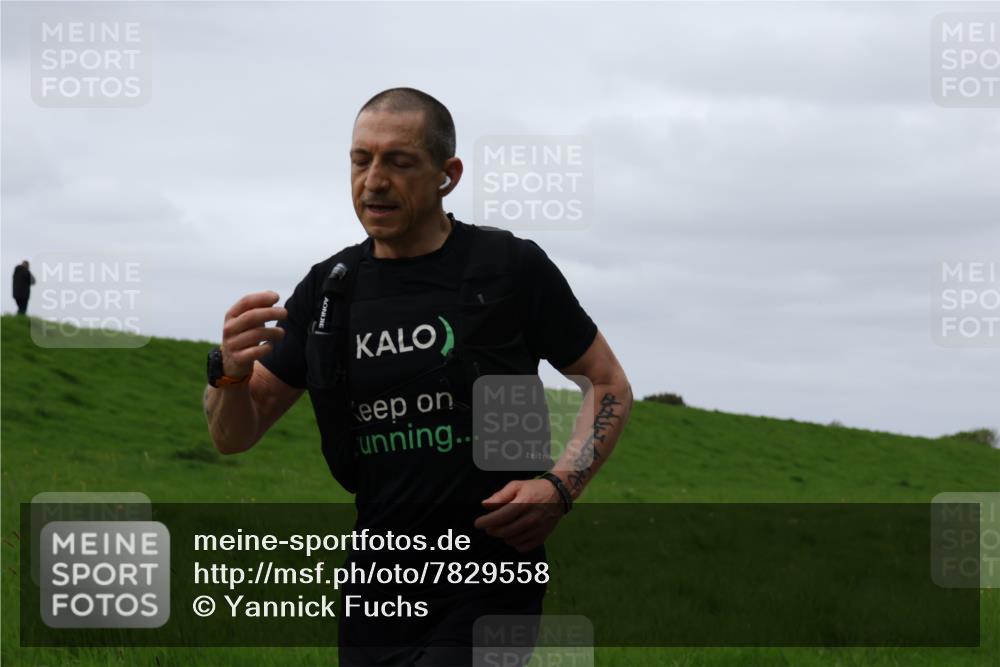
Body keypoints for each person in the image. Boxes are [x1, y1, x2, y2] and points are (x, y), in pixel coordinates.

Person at [203, 88, 633, 665]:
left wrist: (560, 487)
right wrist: (227, 374)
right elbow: (235, 434)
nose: (374, 180)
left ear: (446, 175)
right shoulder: (330, 290)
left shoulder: (508, 268)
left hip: (491, 572)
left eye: (398, 161)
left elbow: (607, 383)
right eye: (361, 160)